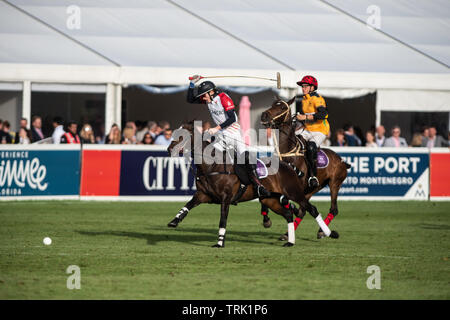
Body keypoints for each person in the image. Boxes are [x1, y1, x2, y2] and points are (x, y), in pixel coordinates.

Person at [187, 75, 270, 197]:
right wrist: (192, 84)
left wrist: (216, 129)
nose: (203, 98)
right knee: (209, 155)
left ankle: (258, 186)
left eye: (204, 95)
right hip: (221, 133)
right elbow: (190, 99)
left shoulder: (223, 98)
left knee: (245, 157)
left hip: (233, 132)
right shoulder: (209, 99)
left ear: (211, 92)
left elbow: (231, 118)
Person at [295, 75, 329, 188]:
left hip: (320, 130)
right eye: (302, 86)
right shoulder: (304, 100)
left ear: (312, 87)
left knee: (310, 147)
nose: (303, 88)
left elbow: (322, 114)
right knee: (293, 142)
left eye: (305, 86)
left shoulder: (317, 98)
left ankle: (313, 176)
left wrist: (304, 117)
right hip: (308, 130)